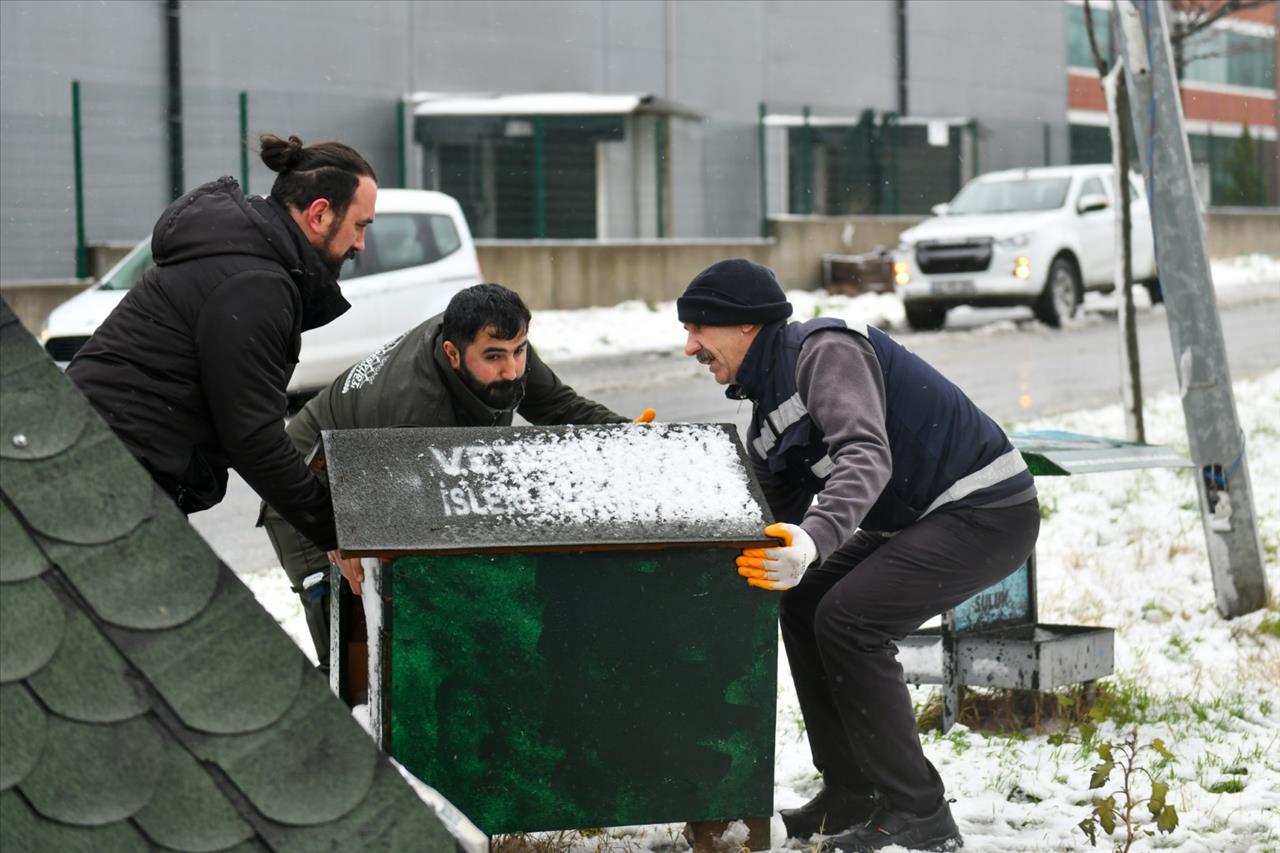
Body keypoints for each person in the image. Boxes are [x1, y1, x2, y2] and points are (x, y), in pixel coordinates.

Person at [677, 259, 1039, 853]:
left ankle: (920, 812)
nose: (690, 346)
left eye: (699, 328)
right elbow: (768, 519)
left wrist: (815, 540)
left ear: (745, 326)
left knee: (852, 619)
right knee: (804, 602)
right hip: (923, 520)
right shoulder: (766, 412)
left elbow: (866, 455)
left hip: (986, 508)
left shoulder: (823, 351)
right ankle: (851, 789)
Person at [264, 282, 651, 672]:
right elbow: (408, 526)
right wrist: (341, 535)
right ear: (452, 353)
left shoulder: (493, 338)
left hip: (383, 465)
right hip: (310, 490)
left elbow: (558, 407)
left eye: (519, 352)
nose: (512, 369)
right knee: (357, 647)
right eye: (495, 358)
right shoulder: (416, 411)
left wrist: (631, 438)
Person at [68, 133, 377, 553]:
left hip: (97, 460)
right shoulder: (256, 284)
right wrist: (341, 536)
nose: (360, 244)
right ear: (320, 214)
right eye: (360, 226)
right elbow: (253, 438)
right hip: (106, 478)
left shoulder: (248, 259)